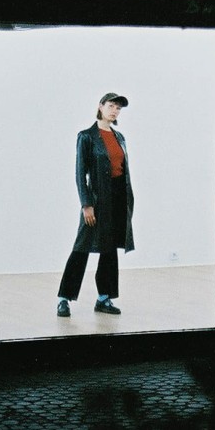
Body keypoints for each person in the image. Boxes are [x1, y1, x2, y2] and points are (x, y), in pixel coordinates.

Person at [56, 92, 134, 317]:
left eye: (118, 108)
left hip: (118, 199)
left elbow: (123, 171)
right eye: (111, 106)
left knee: (109, 249)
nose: (115, 111)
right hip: (97, 199)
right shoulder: (86, 136)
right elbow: (80, 173)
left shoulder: (120, 137)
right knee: (82, 247)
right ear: (100, 106)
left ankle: (104, 298)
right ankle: (64, 299)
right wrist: (86, 204)